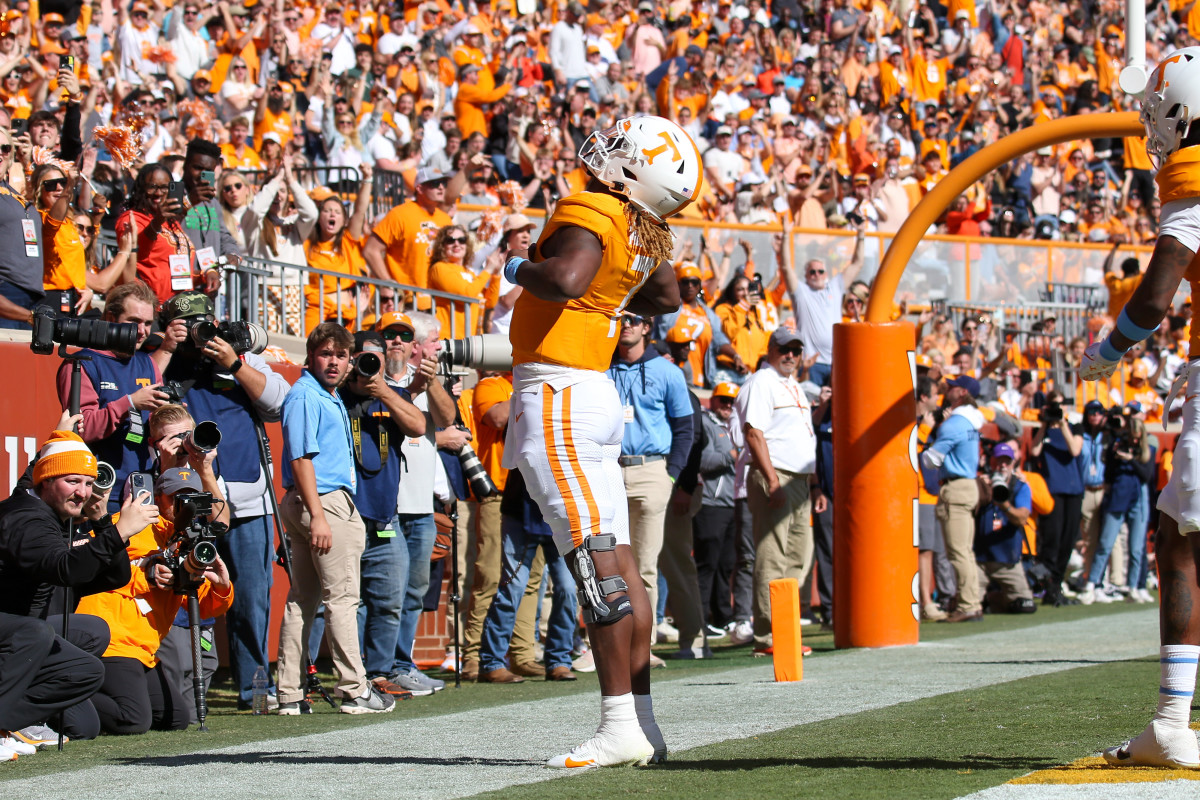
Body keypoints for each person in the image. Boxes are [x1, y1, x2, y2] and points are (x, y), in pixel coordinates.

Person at [501, 115, 699, 769]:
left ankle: (619, 726)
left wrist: (515, 264)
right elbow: (666, 294)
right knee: (614, 562)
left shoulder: (594, 206)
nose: (606, 149)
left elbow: (565, 278)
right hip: (592, 394)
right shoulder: (643, 227)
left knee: (594, 564)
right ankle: (639, 724)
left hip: (558, 395)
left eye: (623, 149)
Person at [1080, 49, 1200, 768]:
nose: (1152, 121)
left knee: (1181, 537)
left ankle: (1170, 723)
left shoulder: (1192, 183)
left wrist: (1109, 348)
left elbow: (1156, 297)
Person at [155, 291, 290, 712]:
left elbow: (278, 403)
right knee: (188, 588)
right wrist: (168, 346)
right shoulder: (166, 359)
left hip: (249, 501)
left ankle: (254, 688)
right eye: (190, 326)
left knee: (252, 598)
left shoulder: (239, 357)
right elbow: (145, 397)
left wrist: (233, 361)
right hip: (191, 500)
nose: (201, 334)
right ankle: (186, 686)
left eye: (205, 323)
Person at [0, 426, 159, 741]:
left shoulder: (45, 508)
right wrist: (118, 533)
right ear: (45, 482)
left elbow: (116, 577)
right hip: (14, 637)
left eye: (88, 483)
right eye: (73, 481)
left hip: (20, 640)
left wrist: (103, 523)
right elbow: (64, 569)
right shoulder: (27, 519)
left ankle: (13, 719)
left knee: (89, 662)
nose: (83, 492)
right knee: (36, 630)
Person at [276, 323, 395, 716]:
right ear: (311, 356)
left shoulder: (322, 394)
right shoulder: (306, 395)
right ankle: (354, 689)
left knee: (303, 600)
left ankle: (289, 693)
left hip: (312, 502)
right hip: (322, 503)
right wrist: (319, 516)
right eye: (326, 353)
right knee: (342, 599)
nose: (334, 361)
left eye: (340, 355)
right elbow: (300, 459)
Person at [76, 466, 234, 735]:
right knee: (133, 719)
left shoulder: (187, 541)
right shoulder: (128, 524)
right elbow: (88, 565)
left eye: (192, 499)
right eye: (176, 498)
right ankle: (59, 697)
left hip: (144, 649)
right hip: (113, 638)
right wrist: (145, 573)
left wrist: (222, 587)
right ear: (157, 497)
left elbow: (205, 606)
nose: (184, 506)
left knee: (175, 719)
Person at [337, 331, 426, 698]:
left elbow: (418, 426)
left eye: (373, 360)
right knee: (345, 601)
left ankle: (379, 672)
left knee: (390, 600)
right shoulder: (335, 397)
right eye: (361, 359)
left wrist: (382, 390)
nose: (366, 367)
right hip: (345, 519)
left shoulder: (392, 396)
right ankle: (348, 674)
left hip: (386, 521)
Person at [732, 327, 825, 655]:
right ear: (771, 349)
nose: (791, 355)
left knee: (799, 557)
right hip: (777, 475)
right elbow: (753, 433)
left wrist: (813, 484)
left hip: (799, 479)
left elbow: (803, 437)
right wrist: (772, 480)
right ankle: (768, 636)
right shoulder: (762, 381)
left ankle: (784, 630)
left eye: (797, 350)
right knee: (772, 555)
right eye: (785, 348)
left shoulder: (793, 385)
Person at [607, 312, 693, 664]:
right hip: (609, 470)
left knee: (644, 564)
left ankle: (643, 647)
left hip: (651, 470)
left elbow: (686, 428)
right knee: (604, 563)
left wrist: (670, 474)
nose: (626, 324)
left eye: (634, 319)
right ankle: (605, 643)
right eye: (621, 319)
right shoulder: (599, 369)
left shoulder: (669, 372)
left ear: (646, 327)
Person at [382, 310, 454, 696]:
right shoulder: (369, 381)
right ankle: (375, 666)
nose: (396, 341)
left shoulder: (423, 381)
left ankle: (400, 664)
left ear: (414, 345)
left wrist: (432, 382)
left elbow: (447, 418)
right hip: (385, 505)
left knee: (414, 590)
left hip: (421, 505)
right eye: (389, 335)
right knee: (381, 591)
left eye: (403, 336)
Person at [55, 281, 168, 512]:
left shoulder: (148, 364)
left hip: (142, 488)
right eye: (133, 321)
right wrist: (130, 404)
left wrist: (170, 420)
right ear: (109, 317)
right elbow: (81, 431)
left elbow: (157, 431)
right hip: (97, 491)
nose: (142, 331)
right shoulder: (82, 363)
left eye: (147, 323)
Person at [478, 467, 579, 682]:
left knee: (568, 588)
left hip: (563, 510)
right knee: (513, 587)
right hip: (521, 507)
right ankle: (492, 662)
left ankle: (559, 660)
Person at [920, 375, 986, 623]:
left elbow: (931, 460)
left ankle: (968, 605)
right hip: (968, 485)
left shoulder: (954, 423)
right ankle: (972, 602)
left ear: (961, 393)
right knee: (965, 551)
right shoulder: (971, 422)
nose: (947, 389)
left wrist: (925, 442)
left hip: (955, 487)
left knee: (957, 552)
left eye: (953, 386)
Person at [1028, 392, 1083, 606]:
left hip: (1073, 488)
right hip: (1052, 490)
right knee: (1052, 539)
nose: (1056, 409)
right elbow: (1034, 450)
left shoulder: (1074, 425)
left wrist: (1063, 424)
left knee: (1068, 540)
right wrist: (1044, 424)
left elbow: (1075, 449)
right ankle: (1048, 586)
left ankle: (1057, 584)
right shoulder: (1040, 429)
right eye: (1053, 405)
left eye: (1059, 405)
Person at [694, 382, 739, 634]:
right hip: (711, 503)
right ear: (713, 400)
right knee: (706, 564)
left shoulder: (734, 426)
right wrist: (729, 456)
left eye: (732, 401)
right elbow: (700, 460)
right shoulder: (706, 424)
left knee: (726, 564)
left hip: (731, 502)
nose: (728, 406)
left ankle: (723, 616)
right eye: (723, 400)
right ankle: (700, 620)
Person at [364, 167, 453, 293]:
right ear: (419, 188)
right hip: (406, 299)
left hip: (437, 300)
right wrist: (388, 284)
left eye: (443, 183)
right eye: (434, 183)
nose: (441, 187)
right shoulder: (399, 214)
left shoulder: (445, 219)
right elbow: (371, 250)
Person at [974, 443, 1036, 614]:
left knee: (1025, 606)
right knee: (969, 607)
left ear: (1012, 463)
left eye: (1006, 462)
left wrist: (1004, 505)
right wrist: (981, 489)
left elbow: (1022, 518)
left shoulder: (1020, 486)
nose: (1002, 466)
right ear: (991, 462)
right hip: (979, 560)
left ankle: (994, 598)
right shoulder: (980, 483)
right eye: (998, 461)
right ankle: (985, 600)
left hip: (1007, 560)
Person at [0, 126, 45, 328]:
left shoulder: (13, 193)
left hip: (31, 297)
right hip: (6, 294)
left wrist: (27, 163)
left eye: (5, 148)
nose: (0, 153)